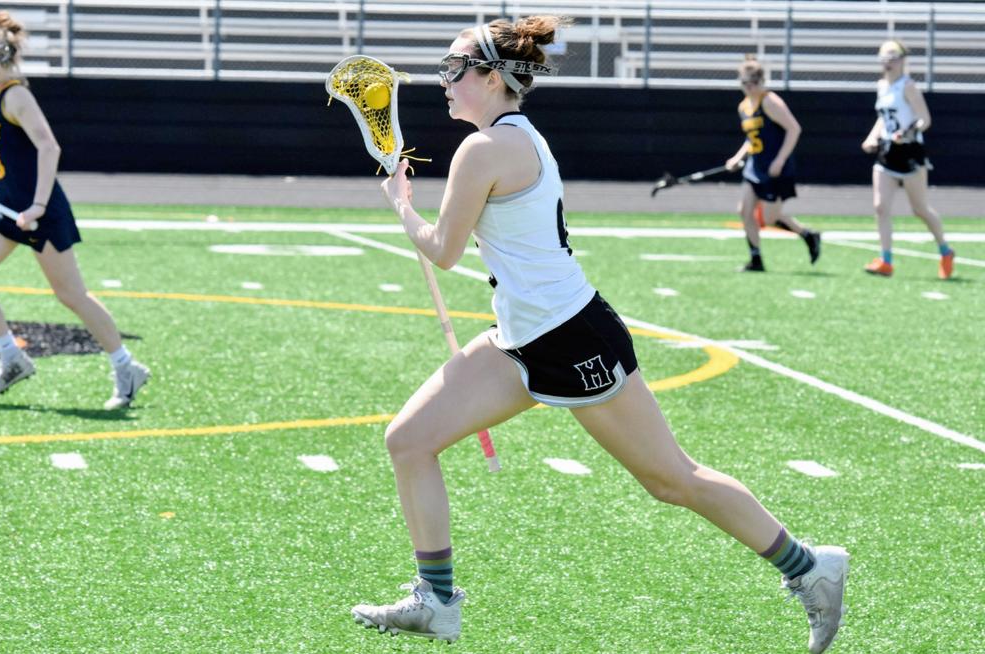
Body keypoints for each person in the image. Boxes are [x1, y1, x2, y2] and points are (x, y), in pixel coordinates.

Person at [351, 16, 849, 653]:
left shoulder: (486, 149)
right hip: (521, 339)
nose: (444, 81)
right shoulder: (511, 135)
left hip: (571, 338)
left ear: (493, 77)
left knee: (672, 480)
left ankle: (811, 570)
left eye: (454, 68)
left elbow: (444, 250)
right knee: (410, 440)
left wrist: (400, 202)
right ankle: (436, 600)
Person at [0, 11, 149, 409]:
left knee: (70, 294)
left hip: (39, 209)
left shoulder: (16, 95)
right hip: (7, 208)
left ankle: (125, 366)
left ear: (7, 56)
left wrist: (38, 205)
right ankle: (12, 357)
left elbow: (49, 147)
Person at [860, 40, 955, 279]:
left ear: (902, 60)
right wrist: (872, 137)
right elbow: (883, 118)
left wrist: (910, 132)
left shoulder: (908, 86)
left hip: (910, 152)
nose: (888, 61)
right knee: (880, 207)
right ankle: (886, 261)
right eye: (885, 57)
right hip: (887, 152)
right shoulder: (881, 86)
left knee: (920, 209)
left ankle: (945, 250)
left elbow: (924, 119)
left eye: (893, 57)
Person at [726, 55, 820, 272]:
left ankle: (808, 235)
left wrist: (780, 159)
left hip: (774, 168)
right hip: (755, 166)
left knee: (769, 218)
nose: (748, 88)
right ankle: (755, 258)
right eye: (744, 83)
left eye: (753, 83)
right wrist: (738, 158)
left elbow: (794, 129)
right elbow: (752, 138)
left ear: (761, 82)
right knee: (744, 210)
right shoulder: (743, 107)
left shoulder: (769, 101)